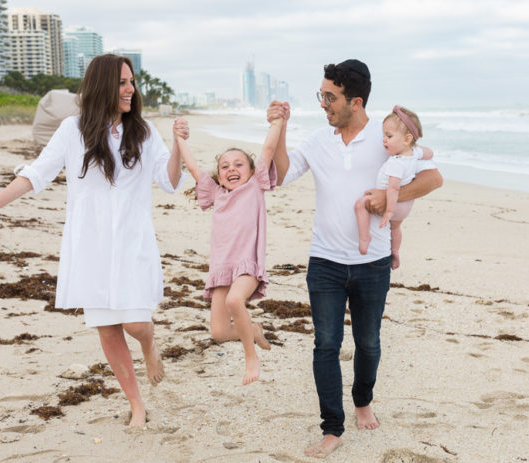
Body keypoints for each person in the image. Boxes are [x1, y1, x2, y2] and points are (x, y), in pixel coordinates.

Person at [0, 54, 188, 428]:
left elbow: (169, 182)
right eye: (121, 82)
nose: (130, 89)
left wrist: (179, 146)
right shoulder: (73, 129)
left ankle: (149, 345)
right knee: (107, 328)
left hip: (133, 242)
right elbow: (38, 173)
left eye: (131, 82)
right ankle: (136, 404)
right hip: (90, 245)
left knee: (135, 324)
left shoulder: (144, 132)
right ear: (102, 85)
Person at [267, 59, 443, 458]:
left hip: (374, 262)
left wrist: (387, 198)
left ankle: (362, 400)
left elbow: (433, 178)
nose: (324, 104)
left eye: (330, 97)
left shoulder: (388, 140)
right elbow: (279, 175)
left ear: (356, 101)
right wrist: (279, 129)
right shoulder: (318, 140)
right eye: (322, 95)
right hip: (325, 261)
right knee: (326, 344)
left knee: (368, 342)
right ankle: (332, 427)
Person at [175, 113, 284, 385]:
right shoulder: (215, 194)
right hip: (223, 270)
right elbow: (192, 168)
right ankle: (253, 330)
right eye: (225, 166)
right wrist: (178, 139)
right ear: (219, 176)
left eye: (238, 164)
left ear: (250, 170)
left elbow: (268, 149)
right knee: (219, 332)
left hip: (248, 265)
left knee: (235, 301)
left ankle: (251, 359)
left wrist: (278, 123)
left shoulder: (255, 187)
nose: (231, 169)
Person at [354, 105, 434, 269]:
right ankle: (395, 251)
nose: (384, 140)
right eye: (384, 135)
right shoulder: (414, 153)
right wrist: (418, 148)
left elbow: (393, 189)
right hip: (406, 206)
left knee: (360, 205)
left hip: (394, 205)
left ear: (407, 139)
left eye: (389, 136)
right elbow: (429, 153)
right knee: (396, 228)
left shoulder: (396, 163)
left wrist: (389, 211)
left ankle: (364, 238)